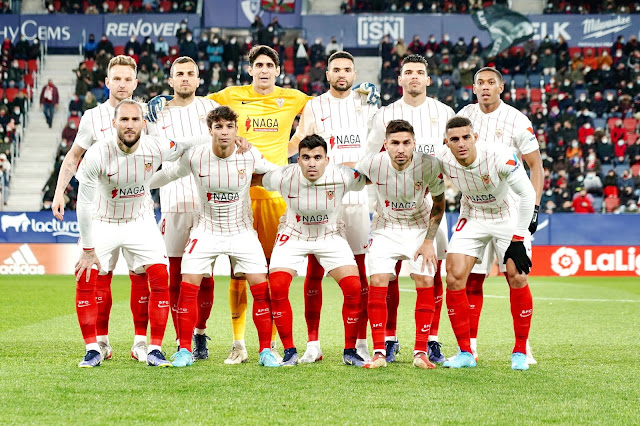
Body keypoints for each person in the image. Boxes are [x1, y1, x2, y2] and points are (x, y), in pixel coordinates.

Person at [146, 45, 379, 363]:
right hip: (237, 195)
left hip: (274, 196)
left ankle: (268, 345)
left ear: (278, 70)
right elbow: (194, 102)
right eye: (259, 65)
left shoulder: (294, 98)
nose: (265, 70)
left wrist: (361, 97)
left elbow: (331, 106)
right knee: (236, 276)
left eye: (270, 65)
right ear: (250, 69)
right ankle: (238, 342)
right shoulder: (229, 95)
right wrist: (164, 100)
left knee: (267, 275)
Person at [149, 106, 279, 368]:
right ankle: (185, 350)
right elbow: (169, 173)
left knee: (260, 286)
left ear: (236, 130)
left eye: (229, 126)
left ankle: (265, 350)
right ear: (209, 131)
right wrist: (139, 185)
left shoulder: (249, 154)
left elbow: (276, 173)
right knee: (188, 283)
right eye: (218, 127)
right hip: (206, 230)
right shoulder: (196, 156)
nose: (224, 132)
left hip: (241, 230)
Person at [74, 99, 195, 368]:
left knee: (160, 277)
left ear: (143, 123)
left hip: (140, 222)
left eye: (135, 120)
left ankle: (153, 348)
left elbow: (187, 144)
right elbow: (82, 203)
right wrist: (87, 249)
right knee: (86, 276)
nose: (130, 125)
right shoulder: (96, 154)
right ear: (113, 123)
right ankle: (93, 348)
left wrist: (229, 140)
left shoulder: (156, 146)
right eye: (124, 120)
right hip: (103, 221)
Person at [51, 55, 151, 363]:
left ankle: (141, 342)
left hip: (138, 208)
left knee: (142, 275)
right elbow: (73, 157)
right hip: (101, 210)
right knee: (97, 274)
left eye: (127, 79)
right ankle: (101, 342)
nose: (122, 84)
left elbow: (165, 151)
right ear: (106, 82)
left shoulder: (147, 115)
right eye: (116, 79)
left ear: (136, 83)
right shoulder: (92, 117)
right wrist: (59, 191)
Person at [288, 51, 378, 363]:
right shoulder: (314, 106)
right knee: (314, 270)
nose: (342, 74)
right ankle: (313, 344)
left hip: (356, 199)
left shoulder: (367, 103)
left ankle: (360, 342)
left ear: (354, 74)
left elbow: (379, 145)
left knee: (360, 273)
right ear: (327, 74)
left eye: (347, 69)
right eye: (336, 69)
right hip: (323, 199)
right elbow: (299, 143)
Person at [366, 54, 454, 364]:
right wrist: (375, 203)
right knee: (387, 275)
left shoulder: (444, 113)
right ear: (400, 79)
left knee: (432, 271)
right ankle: (388, 339)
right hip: (390, 210)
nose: (414, 77)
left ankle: (430, 339)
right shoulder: (384, 114)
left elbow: (453, 157)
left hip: (429, 207)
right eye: (408, 72)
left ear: (428, 80)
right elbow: (370, 158)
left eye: (420, 72)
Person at [253, 134, 369, 367]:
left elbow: (374, 178)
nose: (312, 163)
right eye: (306, 157)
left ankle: (350, 350)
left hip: (329, 235)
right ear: (298, 160)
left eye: (318, 157)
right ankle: (289, 351)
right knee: (276, 286)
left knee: (354, 287)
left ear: (327, 159)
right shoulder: (284, 176)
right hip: (294, 234)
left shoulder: (343, 175)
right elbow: (253, 178)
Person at [455, 67, 543, 363]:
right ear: (474, 87)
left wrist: (534, 208)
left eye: (491, 82)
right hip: (474, 209)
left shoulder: (517, 120)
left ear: (501, 87)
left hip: (509, 210)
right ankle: (470, 346)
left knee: (516, 275)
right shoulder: (465, 114)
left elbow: (536, 166)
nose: (485, 87)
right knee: (471, 279)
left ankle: (522, 346)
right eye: (480, 83)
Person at [437, 116, 536, 371]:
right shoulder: (442, 159)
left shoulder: (500, 156)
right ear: (446, 142)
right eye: (455, 139)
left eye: (466, 137)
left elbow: (527, 194)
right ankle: (465, 353)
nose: (461, 144)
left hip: (508, 216)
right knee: (454, 276)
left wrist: (518, 237)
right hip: (473, 216)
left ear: (475, 138)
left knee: (517, 277)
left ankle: (520, 351)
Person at [352, 119, 445, 369]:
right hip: (386, 227)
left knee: (425, 279)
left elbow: (439, 204)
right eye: (395, 143)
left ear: (414, 143)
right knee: (378, 281)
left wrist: (428, 242)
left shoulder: (428, 164)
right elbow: (348, 176)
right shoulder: (372, 162)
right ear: (385, 145)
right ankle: (380, 352)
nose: (401, 149)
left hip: (418, 227)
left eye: (406, 143)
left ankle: (420, 352)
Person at [145, 56, 220, 360]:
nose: (185, 78)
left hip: (207, 202)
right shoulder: (156, 115)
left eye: (191, 73)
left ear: (199, 80)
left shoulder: (210, 108)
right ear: (171, 80)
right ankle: (181, 339)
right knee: (175, 276)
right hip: (173, 200)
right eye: (180, 74)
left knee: (206, 276)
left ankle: (200, 333)